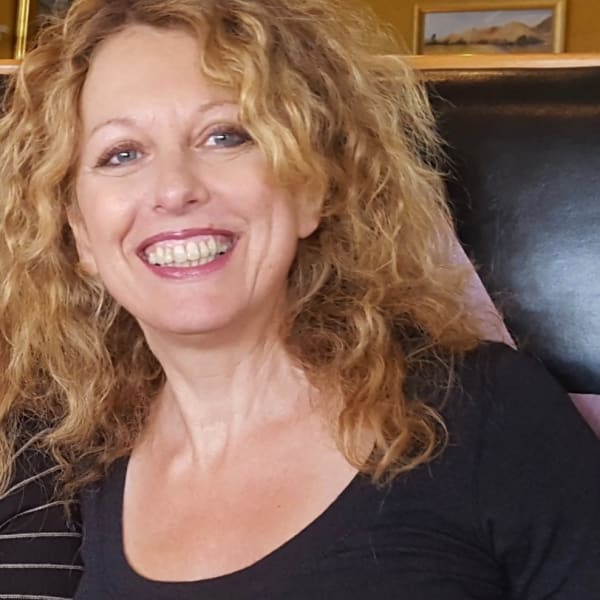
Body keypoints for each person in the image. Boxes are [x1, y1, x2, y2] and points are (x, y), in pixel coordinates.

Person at [0, 0, 598, 598]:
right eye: (122, 154)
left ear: (310, 188)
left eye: (225, 136)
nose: (175, 188)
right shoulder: (74, 470)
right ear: (80, 233)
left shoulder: (486, 412)